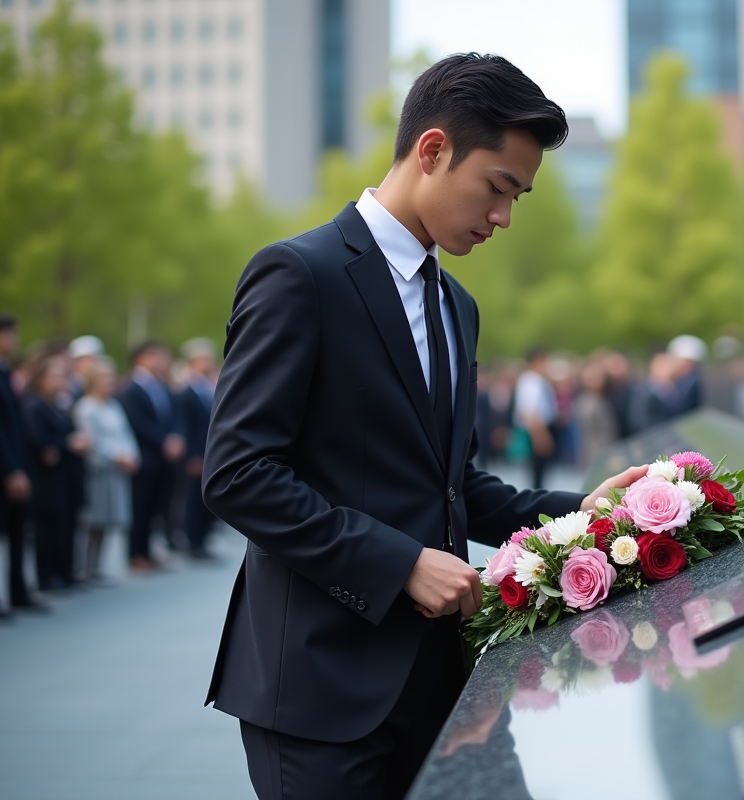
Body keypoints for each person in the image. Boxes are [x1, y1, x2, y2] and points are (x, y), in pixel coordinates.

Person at [201, 53, 648, 800]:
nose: (504, 216)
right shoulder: (297, 274)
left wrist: (579, 514)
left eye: (519, 197)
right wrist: (398, 563)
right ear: (433, 150)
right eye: (498, 188)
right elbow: (237, 473)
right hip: (320, 685)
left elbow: (451, 483)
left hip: (445, 678)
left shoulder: (456, 305)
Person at [118, 341, 186, 570]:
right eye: (157, 357)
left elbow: (173, 417)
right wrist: (164, 441)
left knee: (156, 507)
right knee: (140, 507)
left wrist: (176, 436)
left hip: (163, 458)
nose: (163, 362)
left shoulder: (162, 386)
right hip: (143, 457)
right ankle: (136, 553)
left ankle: (148, 550)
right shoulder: (131, 389)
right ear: (142, 358)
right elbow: (138, 423)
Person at [23, 357, 90, 590]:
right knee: (48, 528)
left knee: (67, 525)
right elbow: (40, 442)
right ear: (41, 379)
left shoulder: (60, 405)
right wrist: (68, 443)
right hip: (47, 479)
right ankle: (47, 575)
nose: (62, 381)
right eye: (56, 376)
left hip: (66, 475)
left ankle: (65, 570)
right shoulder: (36, 406)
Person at [72, 356, 139, 582]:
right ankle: (82, 566)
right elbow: (92, 440)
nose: (109, 382)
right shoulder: (85, 407)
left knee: (108, 519)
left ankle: (96, 566)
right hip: (98, 471)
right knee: (93, 518)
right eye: (104, 377)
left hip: (116, 471)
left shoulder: (113, 405)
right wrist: (116, 456)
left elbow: (126, 434)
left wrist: (131, 454)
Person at [0, 315, 44, 615]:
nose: (14, 340)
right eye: (9, 335)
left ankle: (18, 591)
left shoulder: (6, 372)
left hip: (17, 464)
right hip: (6, 468)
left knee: (17, 533)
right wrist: (11, 469)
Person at [177, 338, 218, 559]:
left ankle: (202, 540)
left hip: (208, 452)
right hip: (196, 453)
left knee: (205, 500)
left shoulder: (208, 387)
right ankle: (192, 541)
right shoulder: (187, 392)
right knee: (193, 499)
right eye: (204, 359)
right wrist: (192, 456)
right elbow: (186, 427)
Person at [513, 347, 557, 489]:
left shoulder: (536, 380)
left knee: (539, 473)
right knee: (537, 473)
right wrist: (540, 437)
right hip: (537, 429)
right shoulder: (531, 381)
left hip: (538, 428)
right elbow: (530, 412)